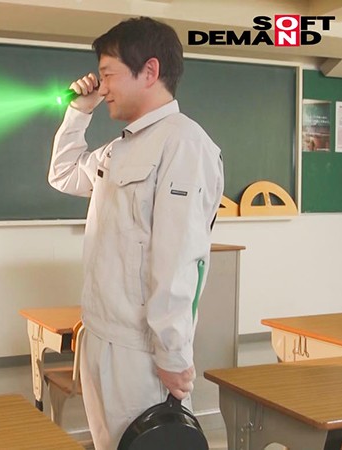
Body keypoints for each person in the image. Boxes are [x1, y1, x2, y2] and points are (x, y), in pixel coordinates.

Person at [47, 17, 223, 450]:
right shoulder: (122, 146)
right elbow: (63, 174)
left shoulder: (184, 144)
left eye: (108, 75)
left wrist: (172, 354)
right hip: (99, 334)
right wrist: (78, 111)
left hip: (139, 351)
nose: (103, 87)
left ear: (149, 70)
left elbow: (178, 259)